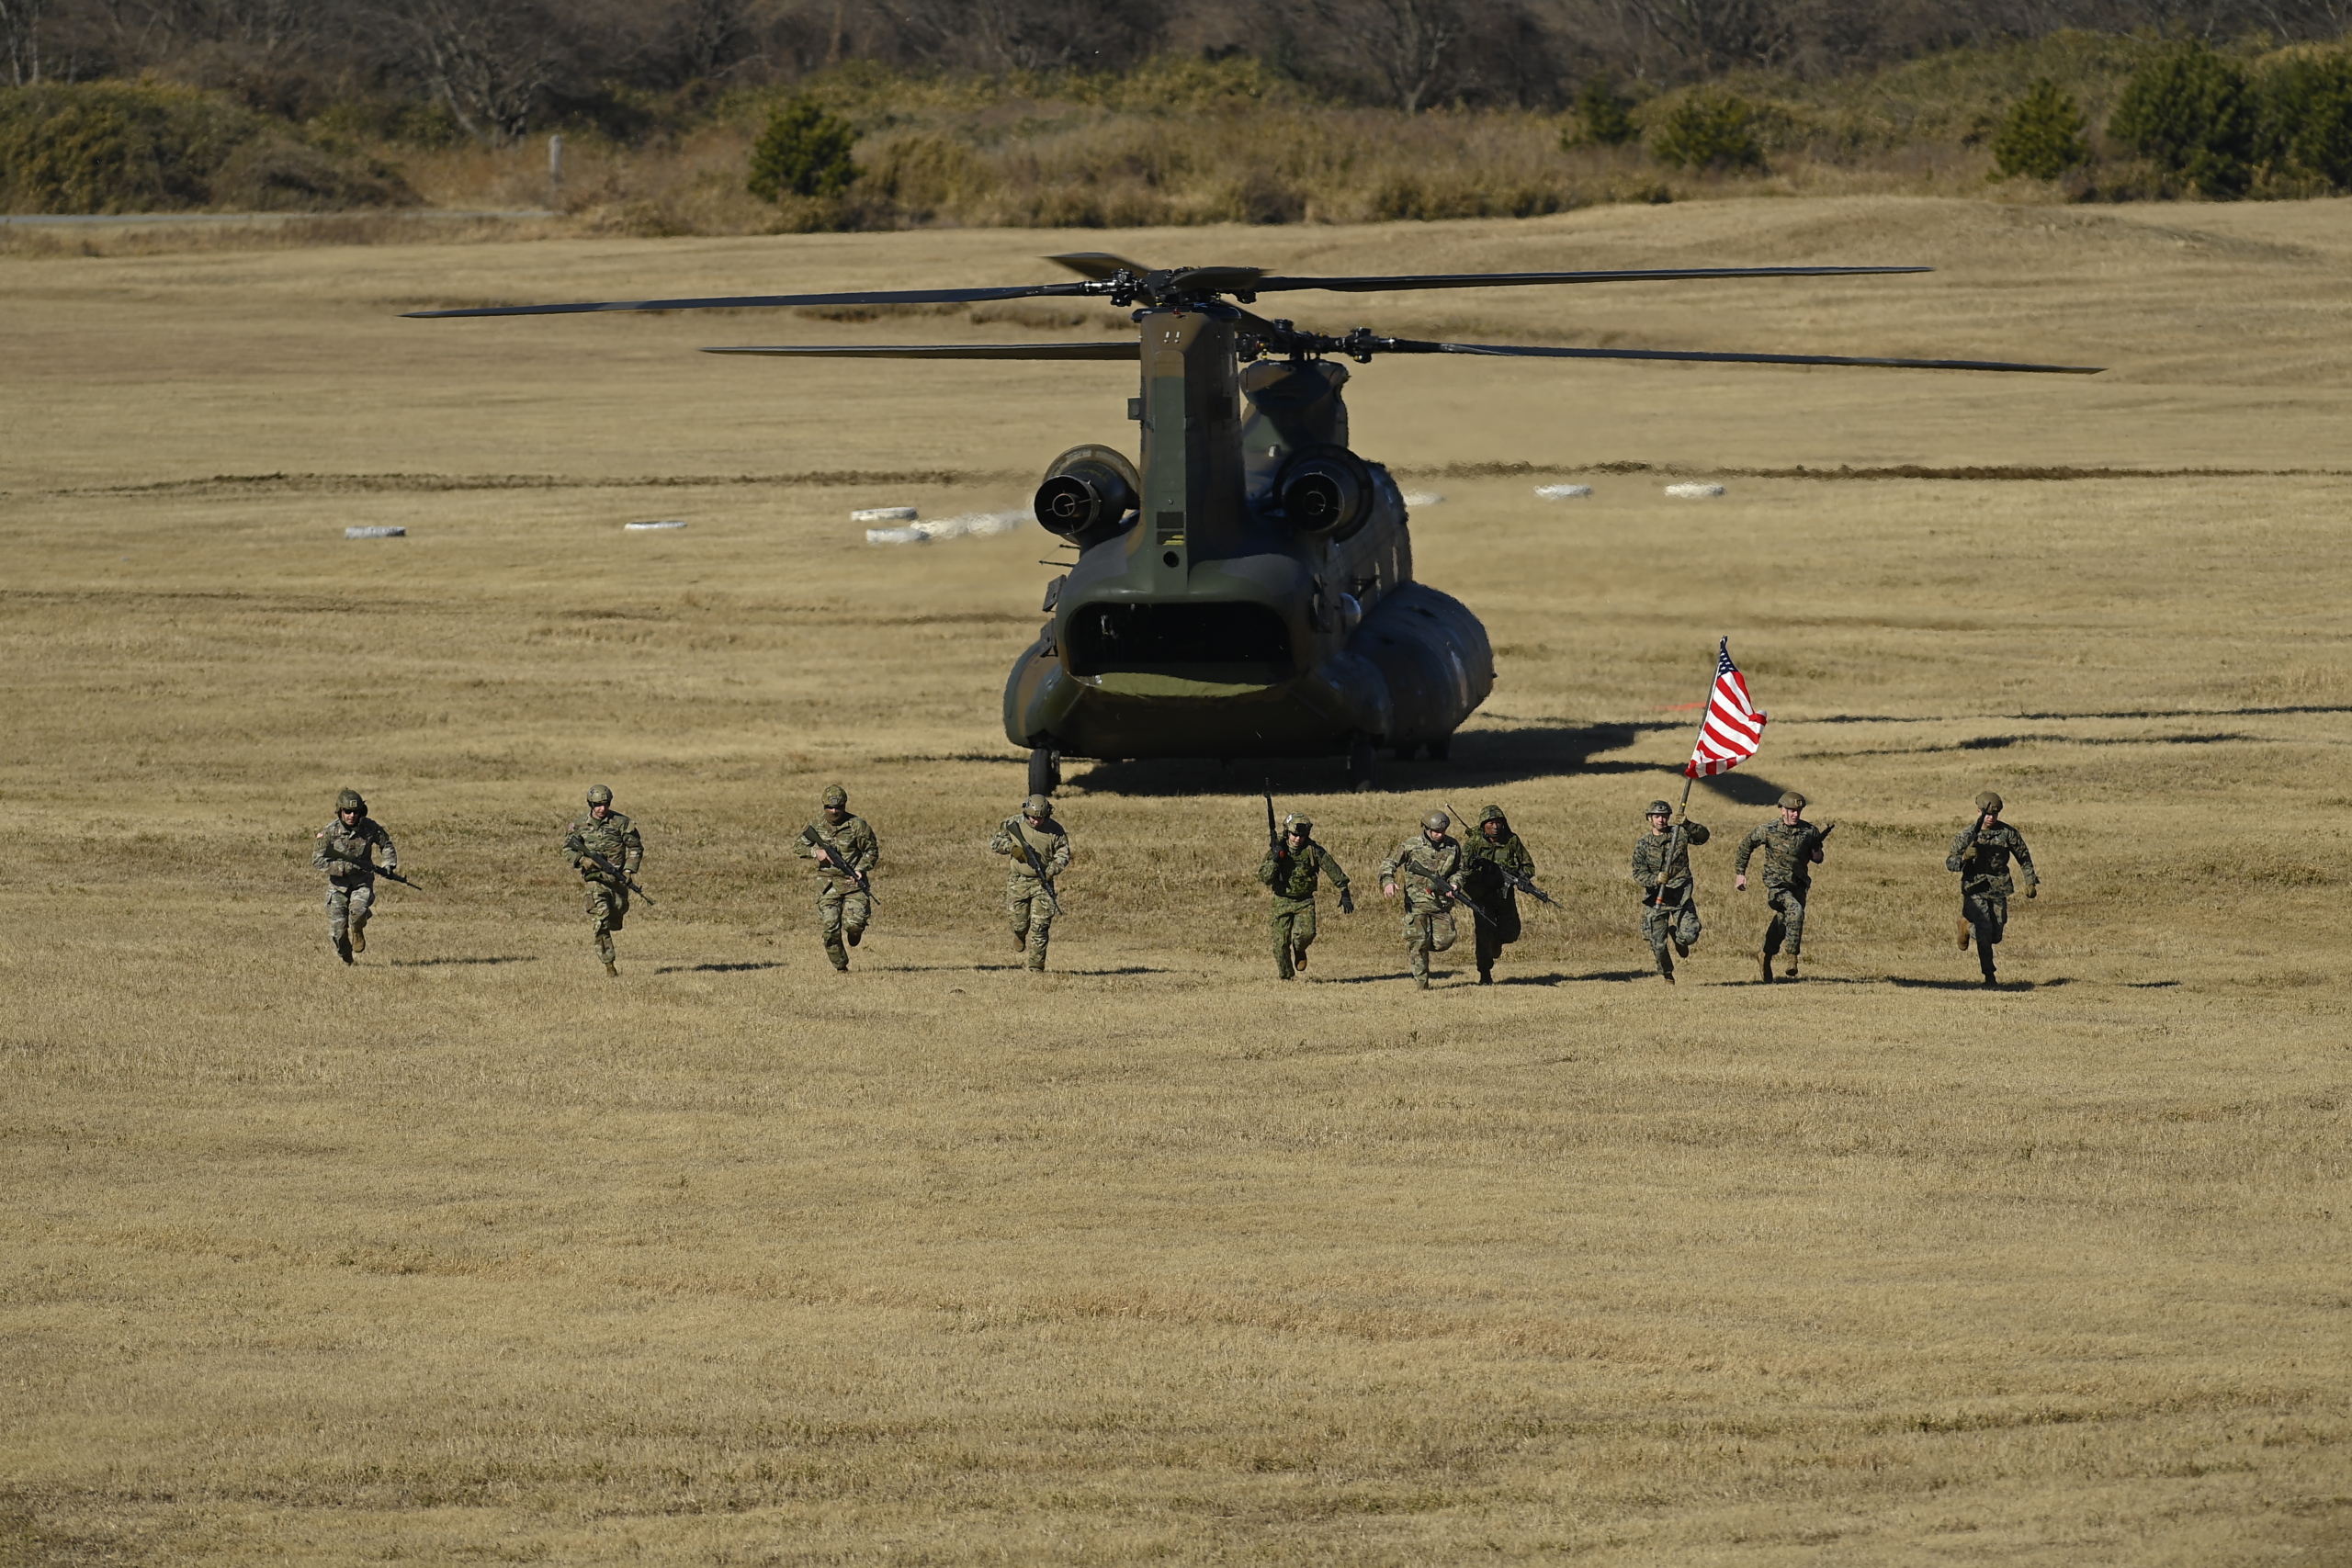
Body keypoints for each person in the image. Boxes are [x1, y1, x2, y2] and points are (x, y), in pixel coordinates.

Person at [1734, 790, 1828, 982]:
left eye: (1798, 811)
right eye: (1792, 811)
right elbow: (1746, 846)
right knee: (1795, 911)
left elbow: (1817, 858)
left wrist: (1817, 851)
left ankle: (1765, 955)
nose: (1795, 815)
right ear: (1782, 810)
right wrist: (1740, 873)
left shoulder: (1809, 831)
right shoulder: (1767, 830)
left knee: (1784, 922)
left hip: (1798, 885)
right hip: (1776, 885)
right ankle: (1792, 959)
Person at [1949, 790, 2038, 988]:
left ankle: (1965, 927)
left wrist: (2030, 881)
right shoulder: (1967, 835)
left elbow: (2023, 857)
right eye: (1988, 814)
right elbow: (1950, 863)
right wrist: (1964, 858)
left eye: (1995, 814)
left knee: (1996, 934)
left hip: (1999, 888)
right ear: (1979, 812)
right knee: (1984, 931)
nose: (1991, 818)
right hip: (1975, 889)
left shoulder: (2007, 833)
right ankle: (1989, 976)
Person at [1258, 813, 1352, 979]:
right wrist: (1275, 860)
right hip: (1282, 900)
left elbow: (1331, 867)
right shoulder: (1278, 848)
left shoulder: (1313, 850)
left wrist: (1344, 890)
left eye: (1302, 836)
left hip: (1305, 901)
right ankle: (1286, 977)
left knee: (1306, 934)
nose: (1297, 839)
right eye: (1294, 835)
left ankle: (1299, 949)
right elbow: (1264, 877)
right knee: (1280, 944)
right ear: (1288, 833)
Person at [798, 784, 880, 973]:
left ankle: (855, 933)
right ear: (824, 806)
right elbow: (798, 846)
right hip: (828, 885)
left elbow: (871, 850)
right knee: (830, 929)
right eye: (830, 807)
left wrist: (861, 869)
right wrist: (815, 852)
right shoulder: (816, 826)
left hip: (854, 884)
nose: (834, 811)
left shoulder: (857, 825)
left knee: (854, 924)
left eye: (838, 807)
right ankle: (841, 967)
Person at [563, 784, 643, 976]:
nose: (602, 808)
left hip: (618, 880)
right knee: (601, 920)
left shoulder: (622, 823)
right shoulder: (580, 824)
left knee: (618, 909)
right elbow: (567, 849)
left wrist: (628, 870)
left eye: (606, 804)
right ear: (591, 804)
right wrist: (583, 860)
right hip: (595, 881)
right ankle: (609, 965)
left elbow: (635, 848)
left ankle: (615, 918)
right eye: (598, 805)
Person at [1380, 809, 1464, 991]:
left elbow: (1460, 870)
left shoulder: (1453, 846)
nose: (1440, 834)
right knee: (1418, 942)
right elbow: (1389, 863)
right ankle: (1422, 985)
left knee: (1445, 940)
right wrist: (1388, 881)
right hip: (1416, 903)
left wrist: (1455, 884)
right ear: (1426, 829)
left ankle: (1422, 947)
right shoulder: (1411, 845)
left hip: (1441, 904)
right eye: (1436, 831)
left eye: (1443, 831)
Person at [311, 787, 397, 965]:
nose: (351, 815)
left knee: (358, 912)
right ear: (340, 811)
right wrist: (343, 868)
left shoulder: (370, 828)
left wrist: (388, 865)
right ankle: (348, 960)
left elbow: (386, 844)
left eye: (355, 812)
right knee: (338, 933)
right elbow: (318, 860)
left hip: (362, 883)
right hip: (338, 888)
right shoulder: (329, 832)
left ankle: (358, 930)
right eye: (347, 811)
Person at [1632, 799, 1710, 984]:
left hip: (1681, 896)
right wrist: (1655, 880)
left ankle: (1679, 938)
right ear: (1649, 818)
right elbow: (1638, 873)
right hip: (1656, 899)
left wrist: (1688, 824)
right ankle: (1667, 974)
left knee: (1690, 935)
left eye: (1665, 816)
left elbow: (1703, 837)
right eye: (1657, 816)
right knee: (1657, 944)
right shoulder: (1643, 844)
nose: (1661, 820)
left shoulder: (1679, 834)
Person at [990, 794, 1071, 972]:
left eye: (1040, 818)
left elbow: (1064, 853)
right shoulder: (1013, 823)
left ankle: (1036, 967)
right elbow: (995, 842)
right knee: (1018, 922)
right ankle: (1019, 934)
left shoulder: (1056, 830)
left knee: (1040, 927)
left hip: (1043, 884)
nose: (1036, 822)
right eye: (1033, 818)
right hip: (1018, 881)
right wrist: (1013, 849)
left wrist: (1051, 871)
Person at [1459, 803, 1535, 985]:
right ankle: (1485, 974)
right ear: (1483, 824)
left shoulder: (1512, 840)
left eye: (1499, 822)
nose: (1495, 826)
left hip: (1504, 894)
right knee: (1484, 934)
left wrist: (1522, 878)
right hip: (1482, 896)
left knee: (1512, 932)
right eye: (1491, 823)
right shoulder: (1473, 844)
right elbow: (1463, 869)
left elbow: (1528, 865)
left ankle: (1497, 941)